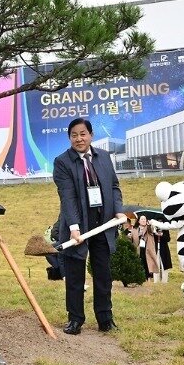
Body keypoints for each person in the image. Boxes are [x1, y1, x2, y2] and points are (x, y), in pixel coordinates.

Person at [54, 118, 123, 335]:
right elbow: (68, 197)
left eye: (82, 134)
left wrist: (118, 210)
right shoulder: (62, 162)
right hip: (77, 225)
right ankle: (75, 319)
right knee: (75, 276)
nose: (79, 139)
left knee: (103, 274)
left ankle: (105, 318)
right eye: (74, 135)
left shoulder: (103, 157)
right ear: (69, 138)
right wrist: (74, 227)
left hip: (102, 224)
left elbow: (113, 186)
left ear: (91, 135)